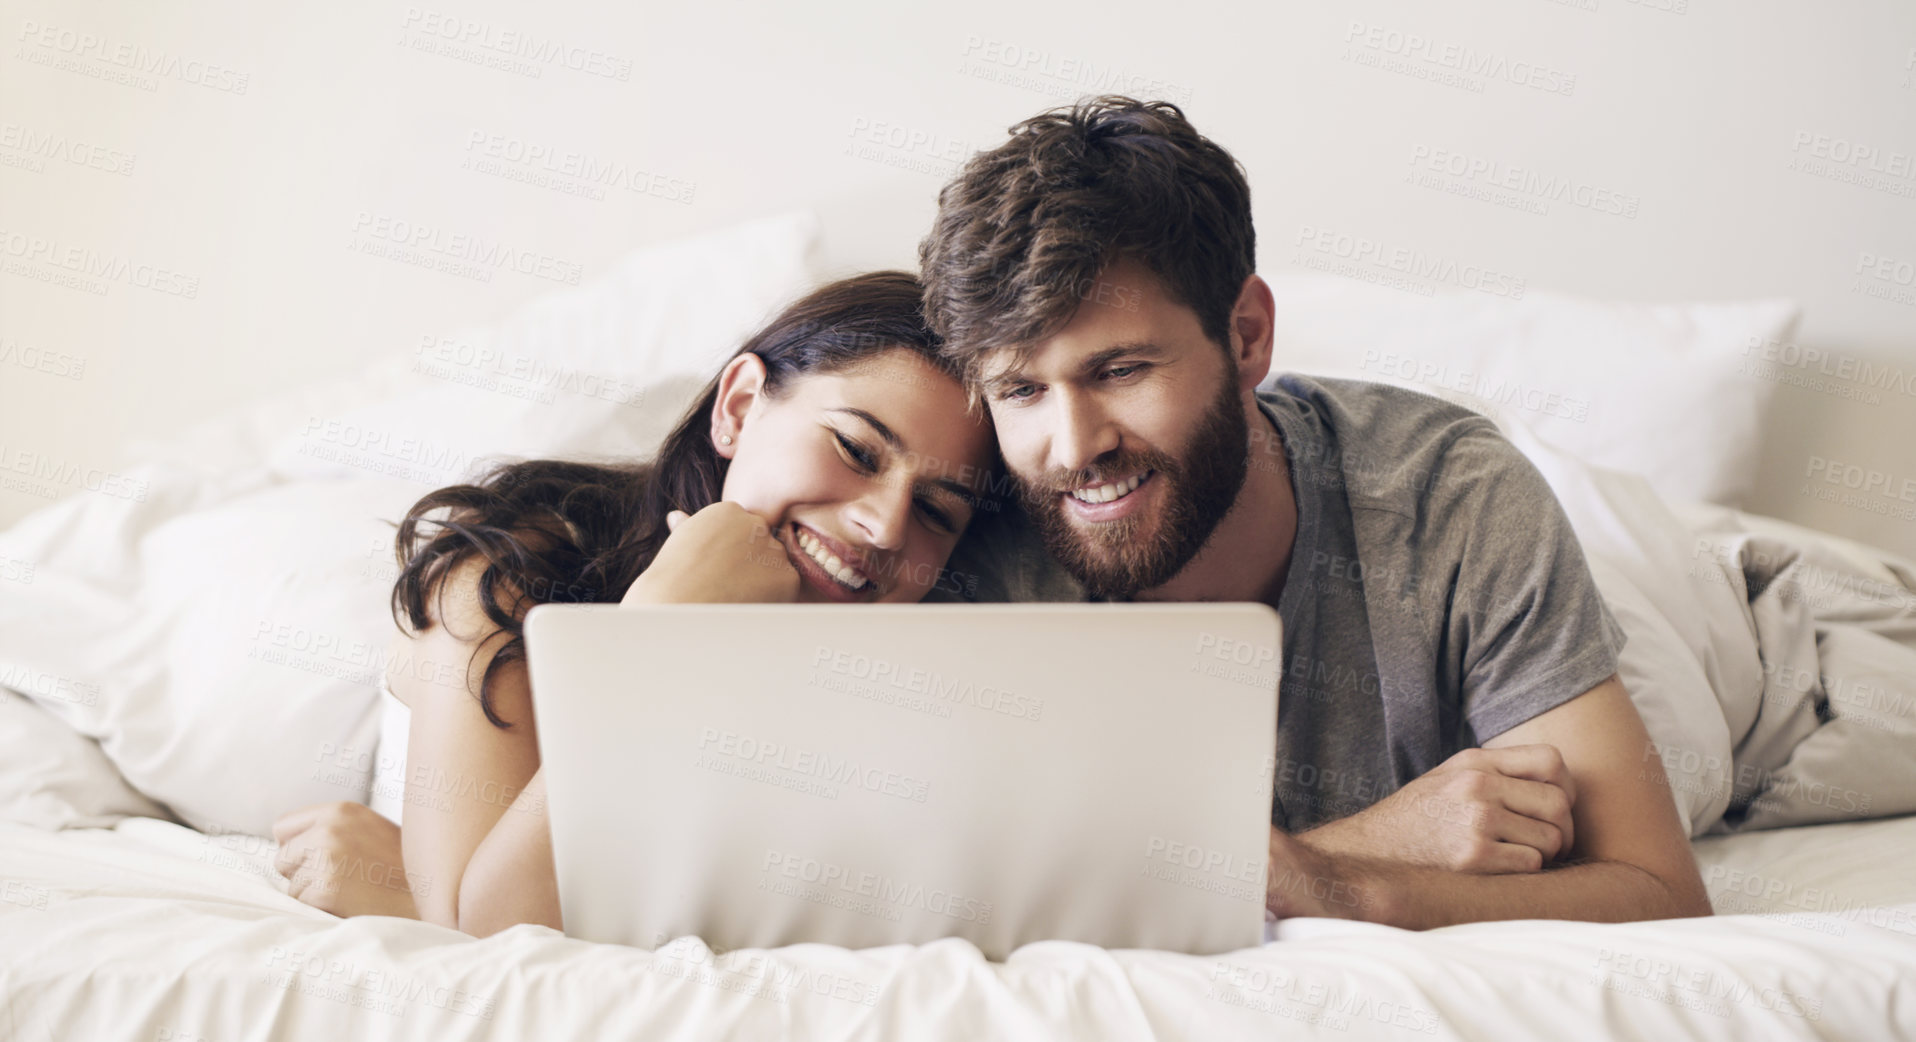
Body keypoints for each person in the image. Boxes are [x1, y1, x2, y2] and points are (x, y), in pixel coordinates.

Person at [918, 96, 1712, 928]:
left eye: (1120, 370)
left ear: (1249, 335)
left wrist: (1340, 889)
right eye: (1022, 390)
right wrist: (1373, 845)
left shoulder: (1454, 497)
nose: (1074, 446)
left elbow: (1660, 893)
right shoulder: (975, 541)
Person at [271, 272, 999, 934]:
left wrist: (409, 892)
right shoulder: (510, 574)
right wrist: (661, 632)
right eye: (856, 450)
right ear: (740, 408)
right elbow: (499, 937)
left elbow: (470, 918)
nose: (885, 525)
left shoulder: (897, 679)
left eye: (937, 510)